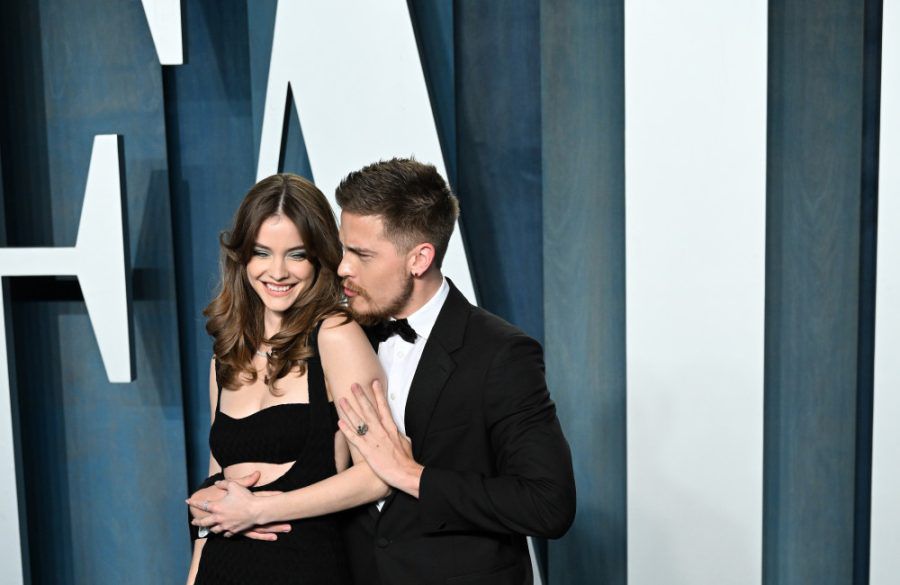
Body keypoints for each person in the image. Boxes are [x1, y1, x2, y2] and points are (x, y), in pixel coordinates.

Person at [193, 158, 577, 584]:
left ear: (419, 258)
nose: (342, 267)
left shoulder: (500, 354)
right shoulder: (338, 334)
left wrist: (413, 476)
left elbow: (548, 504)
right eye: (343, 250)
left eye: (361, 254)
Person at [185, 174, 388, 585]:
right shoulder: (226, 356)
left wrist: (259, 510)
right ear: (242, 258)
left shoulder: (335, 336)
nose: (277, 272)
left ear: (319, 259)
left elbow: (377, 476)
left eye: (296, 255)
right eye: (261, 252)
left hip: (304, 568)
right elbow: (216, 494)